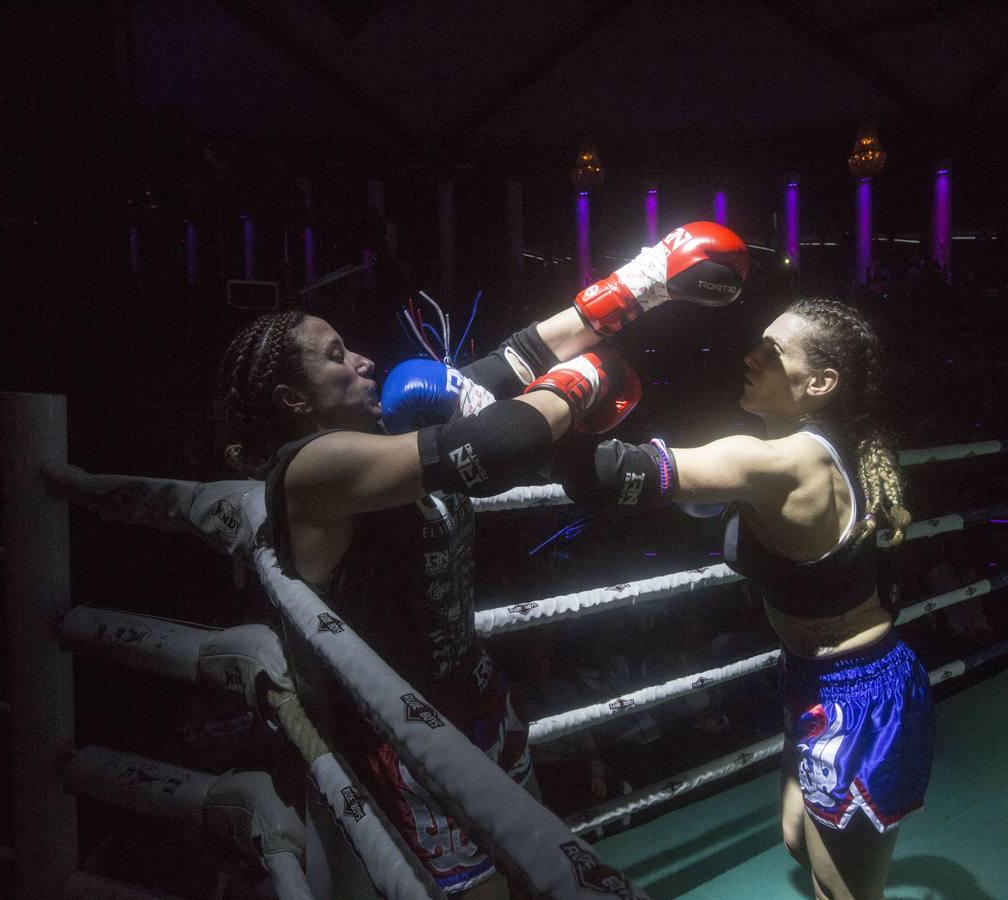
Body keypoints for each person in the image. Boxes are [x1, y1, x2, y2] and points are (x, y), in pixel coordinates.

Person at [216, 222, 748, 898]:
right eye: (335, 357)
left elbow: (517, 358)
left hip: (477, 698)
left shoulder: (391, 420)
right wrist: (579, 384)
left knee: (531, 873)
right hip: (400, 733)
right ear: (294, 400)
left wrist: (641, 285)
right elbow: (498, 445)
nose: (362, 361)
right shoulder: (310, 469)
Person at [556, 297, 933, 900]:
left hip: (861, 694)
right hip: (809, 676)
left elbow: (603, 474)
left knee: (842, 892)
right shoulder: (814, 445)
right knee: (795, 838)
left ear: (819, 383)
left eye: (773, 351)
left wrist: (558, 395)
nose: (750, 357)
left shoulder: (783, 461)